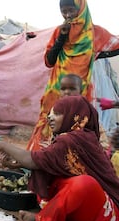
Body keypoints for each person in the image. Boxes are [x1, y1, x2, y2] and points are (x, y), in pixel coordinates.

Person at [0, 95, 119, 221]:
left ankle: (42, 219)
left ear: (74, 116)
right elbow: (48, 161)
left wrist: (3, 146)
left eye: (57, 113)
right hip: (86, 209)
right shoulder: (75, 138)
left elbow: (32, 159)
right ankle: (46, 218)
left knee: (83, 184)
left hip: (106, 215)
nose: (50, 117)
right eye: (50, 113)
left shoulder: (73, 139)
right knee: (55, 179)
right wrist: (18, 163)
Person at [27, 0, 119, 151]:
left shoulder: (94, 33)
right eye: (64, 11)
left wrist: (96, 55)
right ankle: (41, 157)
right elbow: (49, 61)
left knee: (76, 122)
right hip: (57, 88)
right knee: (50, 119)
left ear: (81, 9)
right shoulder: (59, 31)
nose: (68, 15)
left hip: (80, 89)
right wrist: (62, 37)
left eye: (71, 10)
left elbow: (115, 46)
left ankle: (69, 161)